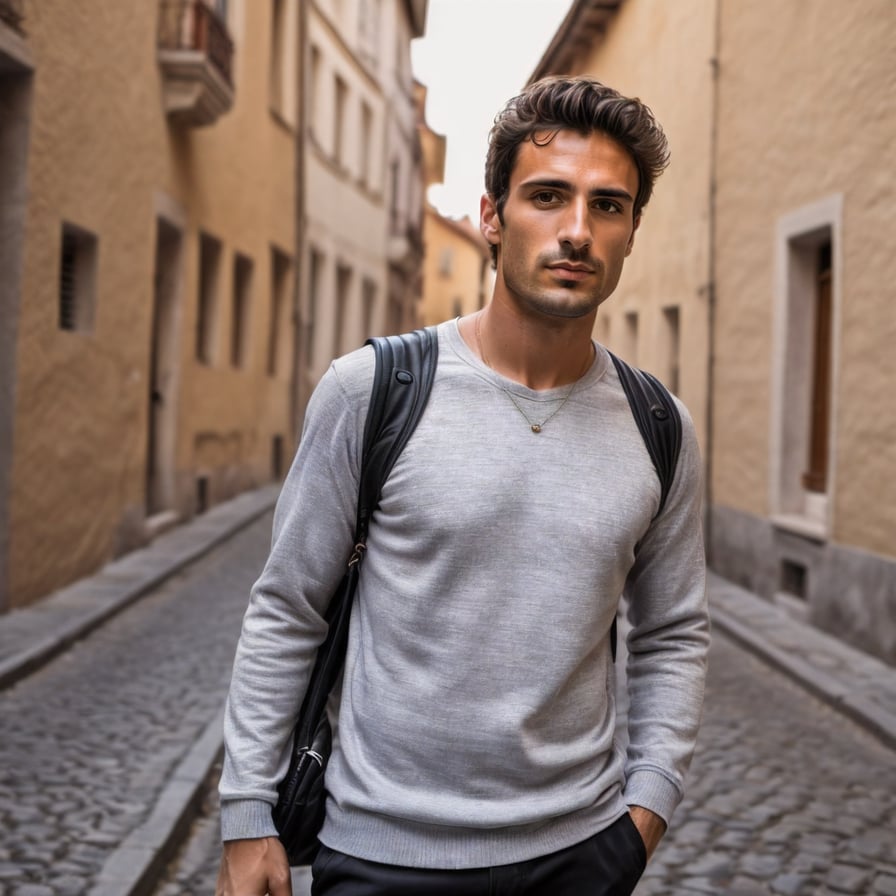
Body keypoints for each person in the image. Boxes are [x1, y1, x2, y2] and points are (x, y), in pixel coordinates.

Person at [216, 75, 710, 896]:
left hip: (583, 856)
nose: (577, 231)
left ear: (631, 231)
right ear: (491, 215)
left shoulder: (661, 428)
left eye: (608, 206)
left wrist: (645, 813)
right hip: (381, 854)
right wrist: (247, 812)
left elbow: (673, 632)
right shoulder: (369, 392)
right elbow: (288, 606)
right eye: (547, 196)